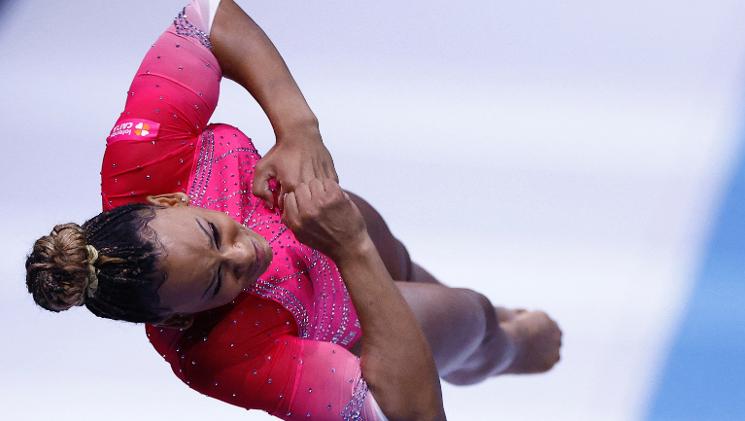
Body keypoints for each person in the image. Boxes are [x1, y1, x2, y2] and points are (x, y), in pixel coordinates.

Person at [25, 1, 562, 420]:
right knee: (472, 314)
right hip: (346, 312)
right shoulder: (219, 357)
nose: (246, 252)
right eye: (220, 282)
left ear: (169, 201)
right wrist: (350, 249)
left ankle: (473, 331)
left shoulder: (141, 161)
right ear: (175, 316)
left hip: (354, 230)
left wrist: (297, 127)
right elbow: (415, 414)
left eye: (215, 234)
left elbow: (205, 17)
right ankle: (505, 349)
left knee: (408, 269)